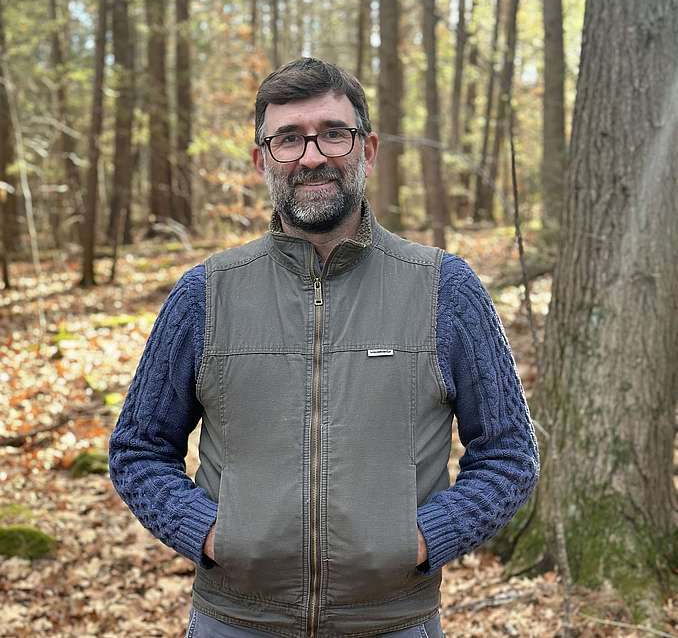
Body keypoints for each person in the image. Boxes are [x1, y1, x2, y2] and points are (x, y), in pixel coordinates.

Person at [109, 58, 539, 638]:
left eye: (333, 132)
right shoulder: (205, 293)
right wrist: (212, 532)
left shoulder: (446, 289)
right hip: (234, 622)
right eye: (289, 138)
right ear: (263, 159)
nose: (312, 155)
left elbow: (510, 451)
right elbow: (137, 448)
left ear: (367, 147)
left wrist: (421, 539)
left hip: (395, 623)